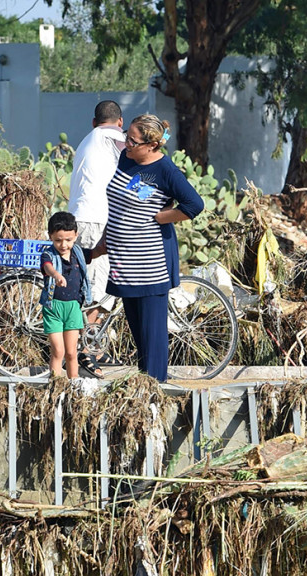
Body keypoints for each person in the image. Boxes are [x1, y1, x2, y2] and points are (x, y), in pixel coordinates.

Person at [101, 114, 204, 382]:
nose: (127, 144)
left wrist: (161, 217)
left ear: (152, 145)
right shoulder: (128, 159)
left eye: (133, 141)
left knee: (153, 334)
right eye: (127, 137)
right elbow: (124, 200)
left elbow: (194, 205)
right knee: (138, 333)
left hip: (150, 263)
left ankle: (156, 387)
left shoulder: (166, 171)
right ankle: (143, 385)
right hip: (124, 262)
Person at [68, 100, 126, 327]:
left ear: (94, 122)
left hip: (79, 218)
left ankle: (93, 348)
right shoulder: (116, 138)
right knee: (101, 287)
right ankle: (86, 346)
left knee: (88, 284)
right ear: (120, 122)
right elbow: (137, 165)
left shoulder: (87, 140)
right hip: (97, 220)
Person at [39, 211, 95, 378]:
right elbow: (47, 266)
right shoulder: (48, 254)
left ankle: (74, 384)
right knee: (58, 351)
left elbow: (96, 252)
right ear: (51, 237)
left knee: (71, 352)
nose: (63, 245)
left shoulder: (78, 253)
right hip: (53, 308)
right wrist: (56, 274)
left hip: (73, 307)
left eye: (68, 240)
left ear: (75, 236)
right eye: (58, 240)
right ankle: (54, 385)